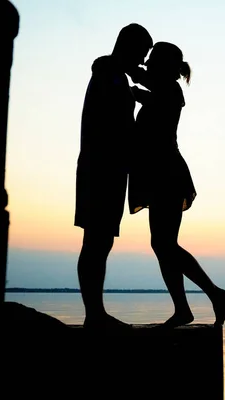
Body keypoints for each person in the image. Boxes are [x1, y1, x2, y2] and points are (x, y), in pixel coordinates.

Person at [128, 42, 225, 328]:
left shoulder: (170, 91)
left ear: (163, 65)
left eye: (151, 60)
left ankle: (213, 294)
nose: (146, 63)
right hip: (157, 175)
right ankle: (186, 307)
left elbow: (143, 83)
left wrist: (120, 68)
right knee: (162, 244)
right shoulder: (161, 91)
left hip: (168, 175)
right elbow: (143, 89)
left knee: (164, 243)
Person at [74, 23, 153, 330]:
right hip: (101, 169)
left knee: (100, 240)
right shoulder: (109, 77)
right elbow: (115, 126)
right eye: (142, 54)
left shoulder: (114, 76)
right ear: (130, 48)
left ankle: (96, 312)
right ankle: (94, 314)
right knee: (96, 239)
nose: (143, 62)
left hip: (109, 169)